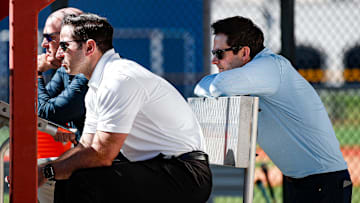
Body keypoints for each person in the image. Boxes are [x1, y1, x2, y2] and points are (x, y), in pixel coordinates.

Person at [37, 13, 212, 203]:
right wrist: (45, 170)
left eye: (64, 45)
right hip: (162, 168)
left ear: (89, 47)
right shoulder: (99, 83)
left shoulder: (117, 80)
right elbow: (86, 146)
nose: (58, 53)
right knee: (70, 177)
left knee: (82, 181)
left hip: (186, 176)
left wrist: (47, 171)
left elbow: (101, 155)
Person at [194, 16, 352, 203]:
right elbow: (200, 88)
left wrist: (214, 85)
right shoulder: (250, 76)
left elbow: (218, 87)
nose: (214, 60)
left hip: (325, 183)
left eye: (220, 53)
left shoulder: (270, 67)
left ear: (244, 52)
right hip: (301, 183)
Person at [37, 7, 88, 203]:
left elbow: (51, 112)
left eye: (49, 37)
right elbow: (42, 110)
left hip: (120, 164)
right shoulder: (66, 69)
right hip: (94, 156)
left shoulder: (85, 70)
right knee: (42, 169)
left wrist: (35, 74)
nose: (44, 44)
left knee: (45, 174)